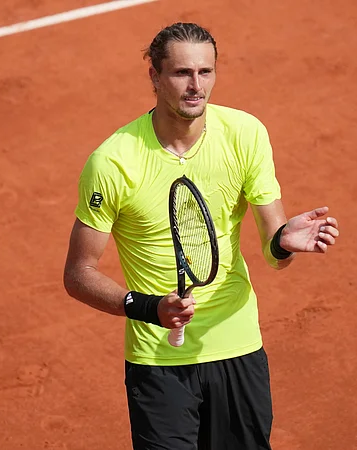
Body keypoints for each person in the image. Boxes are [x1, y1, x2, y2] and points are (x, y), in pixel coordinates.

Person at [63, 22, 340, 450]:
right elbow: (79, 273)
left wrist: (284, 242)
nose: (196, 86)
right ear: (155, 76)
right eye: (182, 73)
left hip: (237, 346)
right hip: (158, 362)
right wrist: (150, 308)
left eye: (205, 72)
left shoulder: (245, 134)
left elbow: (274, 250)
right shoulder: (113, 162)